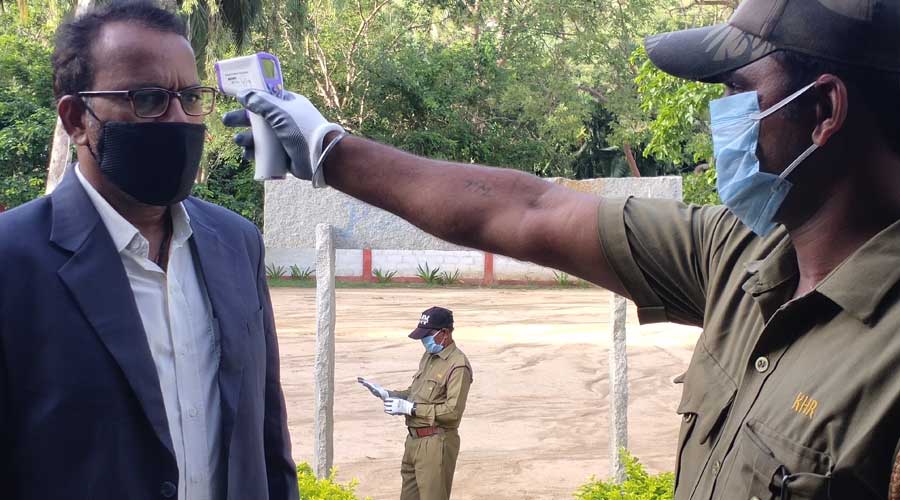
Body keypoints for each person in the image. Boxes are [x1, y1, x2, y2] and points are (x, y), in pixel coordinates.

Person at [225, 0, 900, 496]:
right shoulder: (739, 255)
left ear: (823, 112)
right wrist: (325, 149)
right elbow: (530, 209)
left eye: (736, 91)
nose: (719, 116)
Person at [0, 2, 299, 499]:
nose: (177, 118)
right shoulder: (12, 260)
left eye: (190, 97)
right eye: (147, 98)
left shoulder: (237, 243)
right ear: (76, 119)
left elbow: (268, 433)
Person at [358, 307, 473, 500]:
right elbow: (415, 393)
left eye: (427, 335)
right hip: (413, 440)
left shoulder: (458, 365)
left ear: (444, 333)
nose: (423, 341)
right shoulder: (429, 357)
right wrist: (388, 394)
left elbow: (452, 412)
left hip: (437, 442)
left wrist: (411, 408)